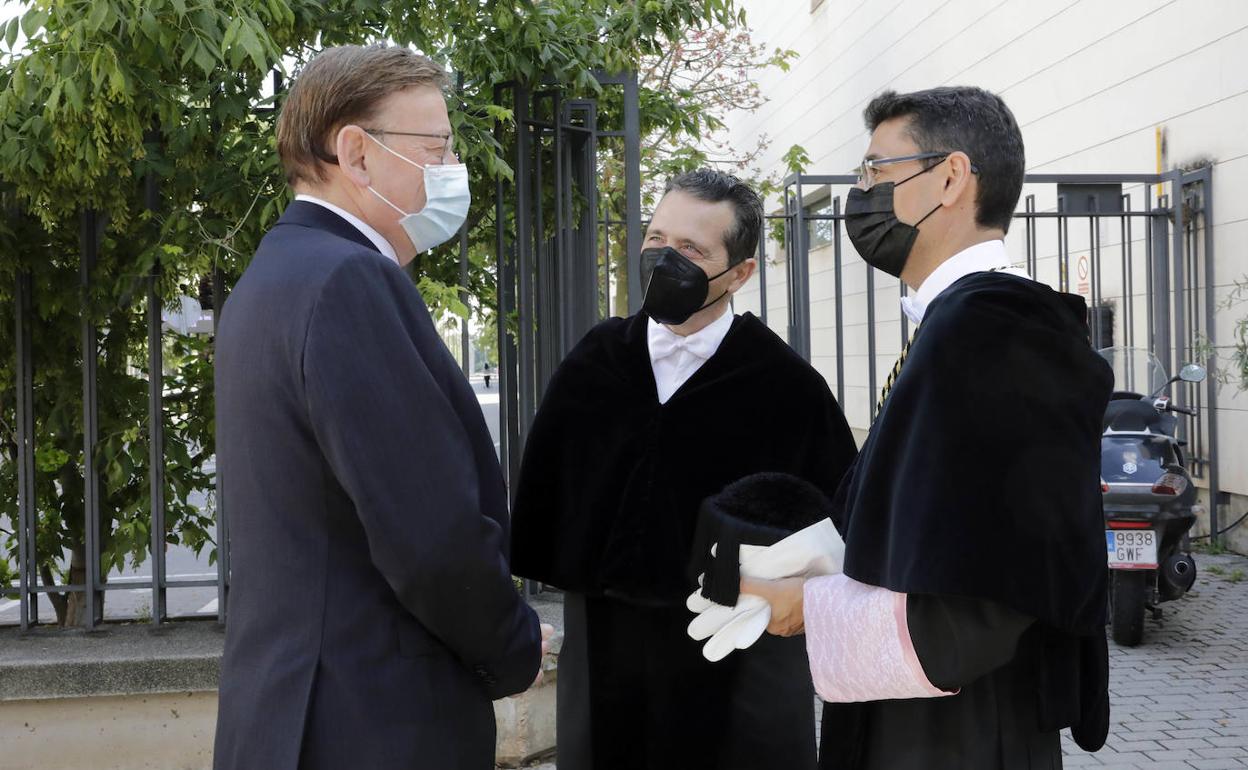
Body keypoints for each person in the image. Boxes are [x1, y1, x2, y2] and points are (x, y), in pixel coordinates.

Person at [743, 86, 1112, 769]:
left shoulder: (995, 333)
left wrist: (809, 607)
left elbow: (990, 601)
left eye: (876, 172)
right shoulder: (958, 326)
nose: (861, 194)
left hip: (957, 732)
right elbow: (937, 521)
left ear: (950, 178)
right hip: (928, 716)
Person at [212, 44, 548, 770]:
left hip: (292, 714)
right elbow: (429, 534)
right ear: (356, 154)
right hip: (371, 722)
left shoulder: (275, 275)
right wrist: (514, 647)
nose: (450, 168)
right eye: (436, 146)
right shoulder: (349, 282)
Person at [510, 169, 858, 770]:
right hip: (607, 647)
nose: (664, 260)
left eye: (691, 250)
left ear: (740, 273)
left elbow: (836, 530)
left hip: (736, 657)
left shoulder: (787, 388)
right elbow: (549, 490)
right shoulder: (596, 361)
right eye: (655, 239)